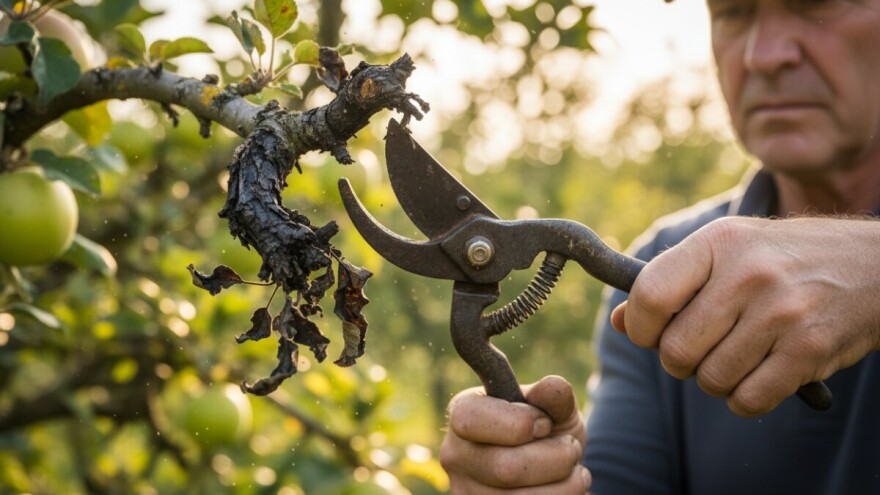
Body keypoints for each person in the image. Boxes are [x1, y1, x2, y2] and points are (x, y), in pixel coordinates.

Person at [439, 0, 880, 493]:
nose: (764, 54)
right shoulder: (664, 267)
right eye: (733, 12)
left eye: (814, 4)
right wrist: (539, 479)